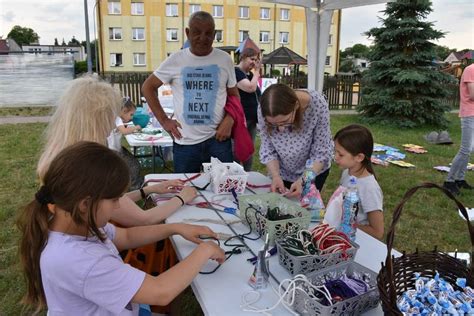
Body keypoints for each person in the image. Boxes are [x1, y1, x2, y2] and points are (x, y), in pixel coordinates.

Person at [18, 141, 225, 314]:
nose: (119, 205)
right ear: (85, 204)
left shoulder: (74, 223)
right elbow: (160, 292)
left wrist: (176, 228)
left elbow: (125, 236)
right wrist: (205, 250)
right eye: (115, 199)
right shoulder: (80, 259)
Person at [36, 75, 195, 227]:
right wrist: (182, 197)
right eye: (110, 118)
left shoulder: (60, 155)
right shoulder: (89, 165)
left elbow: (110, 202)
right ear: (96, 121)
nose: (113, 125)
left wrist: (149, 190)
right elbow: (144, 219)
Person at [142, 11, 239, 173]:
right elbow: (147, 87)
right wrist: (164, 121)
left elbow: (234, 95)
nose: (203, 38)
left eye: (208, 33)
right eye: (196, 32)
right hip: (185, 142)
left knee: (225, 191)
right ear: (187, 33)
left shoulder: (224, 60)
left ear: (215, 34)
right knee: (185, 190)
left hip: (218, 139)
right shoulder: (176, 60)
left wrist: (229, 120)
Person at [258, 83, 333, 197]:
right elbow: (267, 147)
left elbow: (321, 152)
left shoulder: (317, 104)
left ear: (296, 105)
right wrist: (276, 176)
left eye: (284, 122)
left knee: (305, 209)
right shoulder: (265, 109)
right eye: (273, 124)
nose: (281, 129)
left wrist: (304, 180)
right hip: (281, 171)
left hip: (312, 170)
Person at [333, 124, 384, 240]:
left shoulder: (369, 188)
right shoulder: (347, 173)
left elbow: (377, 232)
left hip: (358, 241)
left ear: (359, 157)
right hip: (342, 236)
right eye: (335, 151)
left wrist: (346, 225)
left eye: (340, 154)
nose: (335, 157)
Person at [443, 63, 474, 195]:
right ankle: (449, 181)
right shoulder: (470, 69)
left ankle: (460, 179)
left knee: (470, 149)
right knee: (465, 149)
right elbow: (472, 95)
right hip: (469, 114)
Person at [108, 97, 143, 190]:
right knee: (133, 165)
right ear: (124, 111)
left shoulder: (116, 118)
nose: (132, 117)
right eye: (131, 114)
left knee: (132, 161)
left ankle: (134, 184)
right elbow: (123, 131)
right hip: (113, 150)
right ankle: (135, 187)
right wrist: (135, 127)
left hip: (113, 148)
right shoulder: (117, 118)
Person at [235, 47, 261, 171]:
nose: (254, 63)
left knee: (249, 148)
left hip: (251, 118)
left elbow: (257, 93)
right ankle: (235, 173)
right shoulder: (236, 72)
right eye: (252, 59)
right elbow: (250, 87)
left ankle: (248, 174)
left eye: (256, 60)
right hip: (241, 118)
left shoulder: (249, 74)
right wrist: (257, 73)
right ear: (243, 57)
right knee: (238, 147)